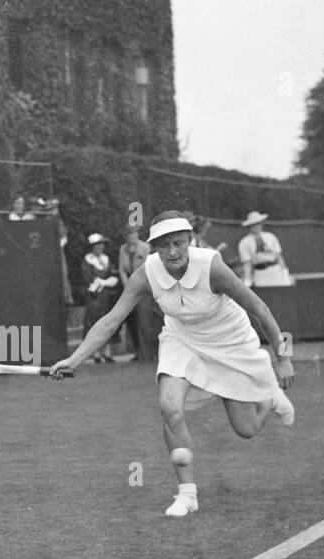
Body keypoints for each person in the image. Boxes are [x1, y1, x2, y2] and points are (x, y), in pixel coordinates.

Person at [51, 212, 295, 517]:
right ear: (154, 247)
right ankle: (187, 493)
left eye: (178, 243)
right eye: (164, 246)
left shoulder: (212, 266)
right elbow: (111, 320)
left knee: (245, 429)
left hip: (230, 341)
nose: (173, 252)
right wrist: (75, 358)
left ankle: (269, 396)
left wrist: (283, 358)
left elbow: (259, 308)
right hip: (182, 340)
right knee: (169, 407)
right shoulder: (147, 273)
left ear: (189, 240)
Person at [118, 225, 155, 361]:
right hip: (130, 290)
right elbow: (121, 269)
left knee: (145, 321)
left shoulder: (145, 248)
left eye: (133, 235)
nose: (131, 238)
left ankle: (148, 353)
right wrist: (127, 285)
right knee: (132, 321)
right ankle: (137, 352)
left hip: (144, 289)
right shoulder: (123, 249)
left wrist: (139, 285)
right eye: (129, 235)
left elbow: (149, 268)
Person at [82, 233, 119, 363]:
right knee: (93, 322)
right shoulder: (88, 260)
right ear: (93, 246)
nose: (100, 247)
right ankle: (95, 353)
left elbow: (113, 274)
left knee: (107, 321)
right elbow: (87, 278)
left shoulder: (106, 259)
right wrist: (98, 283)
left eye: (102, 244)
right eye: (98, 245)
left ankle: (107, 352)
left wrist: (106, 282)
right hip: (94, 296)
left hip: (106, 296)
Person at [236, 212, 290, 287]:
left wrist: (284, 273)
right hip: (260, 273)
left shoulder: (270, 236)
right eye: (253, 224)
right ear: (249, 226)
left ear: (261, 224)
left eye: (258, 223)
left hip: (275, 271)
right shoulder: (244, 242)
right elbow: (247, 263)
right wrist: (247, 279)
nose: (256, 226)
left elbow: (279, 256)